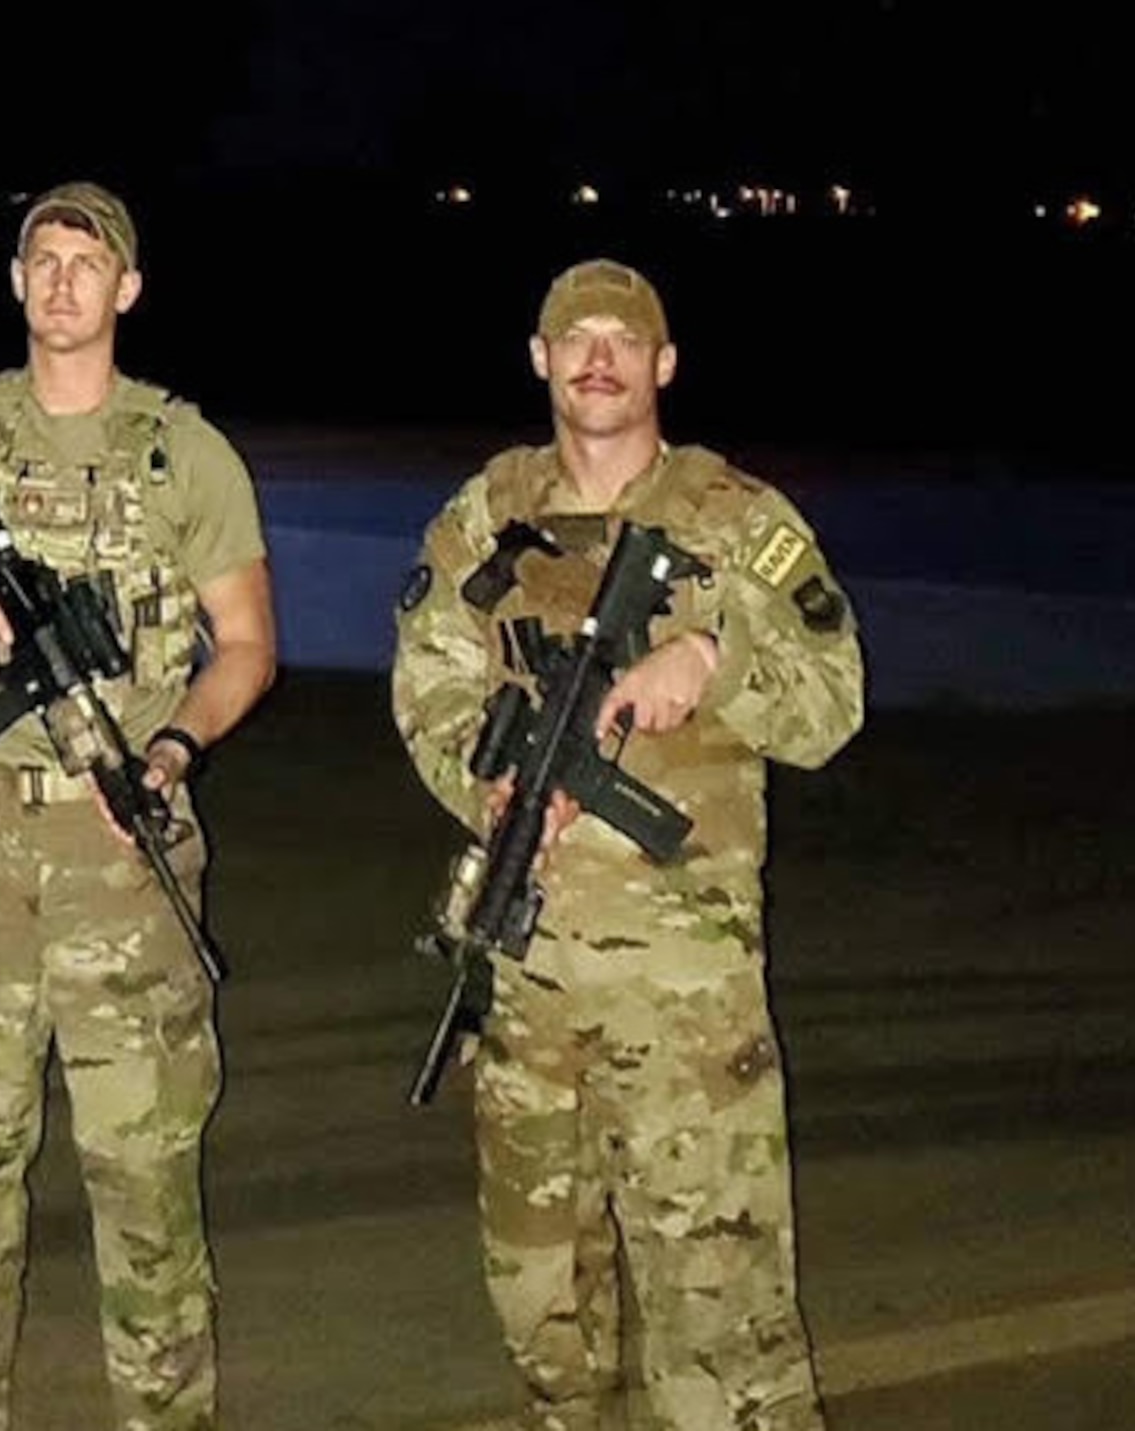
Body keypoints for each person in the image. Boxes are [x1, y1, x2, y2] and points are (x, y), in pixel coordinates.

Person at [391, 258, 863, 1430]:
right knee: (544, 1321)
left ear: (662, 365)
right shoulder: (482, 514)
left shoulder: (736, 521)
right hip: (526, 990)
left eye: (622, 339)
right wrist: (489, 779)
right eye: (573, 338)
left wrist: (710, 663)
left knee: (724, 1333)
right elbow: (428, 686)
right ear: (539, 360)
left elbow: (831, 700)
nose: (596, 357)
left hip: (684, 1000)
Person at [0, 180, 276, 1430]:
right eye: (44, 257)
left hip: (124, 864)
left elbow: (244, 645)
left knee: (145, 1189)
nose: (64, 280)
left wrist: (177, 746)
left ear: (127, 289)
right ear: (15, 279)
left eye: (89, 261)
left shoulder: (184, 451)